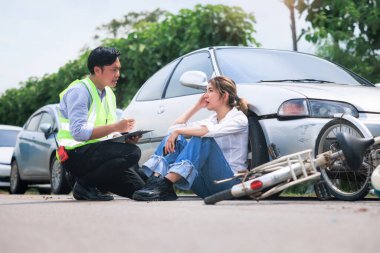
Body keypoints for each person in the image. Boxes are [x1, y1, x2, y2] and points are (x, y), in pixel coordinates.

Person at [132, 76, 249, 201]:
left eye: (210, 90)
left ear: (224, 96)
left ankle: (165, 184)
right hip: (206, 187)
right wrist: (197, 107)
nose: (205, 95)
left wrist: (178, 131)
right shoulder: (212, 120)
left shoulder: (239, 119)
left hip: (228, 184)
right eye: (206, 91)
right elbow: (173, 129)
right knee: (176, 138)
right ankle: (156, 182)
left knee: (203, 138)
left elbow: (207, 132)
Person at [57, 46, 145, 201]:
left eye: (118, 70)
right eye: (114, 70)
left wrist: (123, 137)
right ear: (97, 70)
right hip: (75, 154)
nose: (118, 74)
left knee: (140, 189)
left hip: (96, 155)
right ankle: (84, 185)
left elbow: (109, 131)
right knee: (132, 153)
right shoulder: (80, 91)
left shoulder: (109, 94)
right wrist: (116, 127)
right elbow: (78, 133)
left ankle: (92, 182)